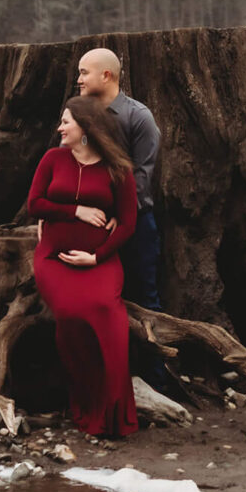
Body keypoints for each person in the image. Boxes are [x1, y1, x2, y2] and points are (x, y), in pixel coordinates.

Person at [27, 95, 138, 437]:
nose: (59, 128)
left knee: (107, 312)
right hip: (54, 259)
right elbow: (35, 204)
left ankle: (114, 410)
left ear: (86, 127)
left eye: (66, 122)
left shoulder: (117, 170)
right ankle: (84, 401)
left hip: (99, 262)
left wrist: (97, 255)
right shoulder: (52, 159)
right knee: (72, 313)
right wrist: (75, 211)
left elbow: (128, 223)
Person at [75, 48, 162, 309]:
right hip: (90, 219)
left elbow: (143, 174)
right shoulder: (80, 116)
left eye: (83, 73)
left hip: (135, 223)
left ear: (106, 76)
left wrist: (122, 216)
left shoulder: (138, 116)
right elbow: (72, 165)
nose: (78, 80)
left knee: (144, 296)